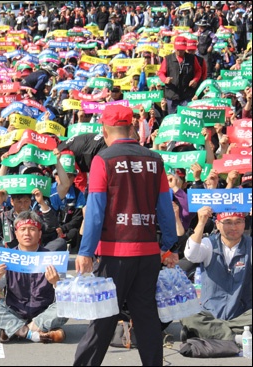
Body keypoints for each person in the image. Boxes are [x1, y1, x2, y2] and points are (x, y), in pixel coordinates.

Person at [73, 105, 178, 366]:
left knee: (103, 319)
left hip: (114, 253)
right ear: (132, 128)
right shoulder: (155, 160)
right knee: (146, 319)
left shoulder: (103, 159)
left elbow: (95, 211)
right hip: (148, 252)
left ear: (104, 131)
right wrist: (169, 246)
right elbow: (165, 207)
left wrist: (85, 252)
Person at [0, 210, 68, 343]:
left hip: (44, 311)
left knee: (65, 306)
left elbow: (66, 294)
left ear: (39, 233)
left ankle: (17, 331)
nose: (27, 233)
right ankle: (35, 334)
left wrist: (56, 282)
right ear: (16, 234)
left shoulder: (52, 258)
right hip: (15, 311)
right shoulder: (7, 257)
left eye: (32, 229)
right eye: (22, 229)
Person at [180, 208, 251, 342]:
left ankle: (211, 332)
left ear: (244, 223)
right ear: (217, 224)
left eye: (238, 222)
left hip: (242, 314)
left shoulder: (250, 244)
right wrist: (201, 222)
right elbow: (191, 254)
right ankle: (236, 337)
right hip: (211, 313)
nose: (234, 227)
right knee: (187, 314)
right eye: (228, 222)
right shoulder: (209, 243)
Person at [157, 36, 202, 114]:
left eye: (182, 50)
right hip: (172, 95)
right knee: (172, 118)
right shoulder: (168, 59)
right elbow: (161, 73)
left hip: (186, 95)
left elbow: (199, 71)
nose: (180, 52)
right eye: (178, 50)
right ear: (175, 48)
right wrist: (165, 79)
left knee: (186, 117)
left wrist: (195, 80)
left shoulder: (192, 58)